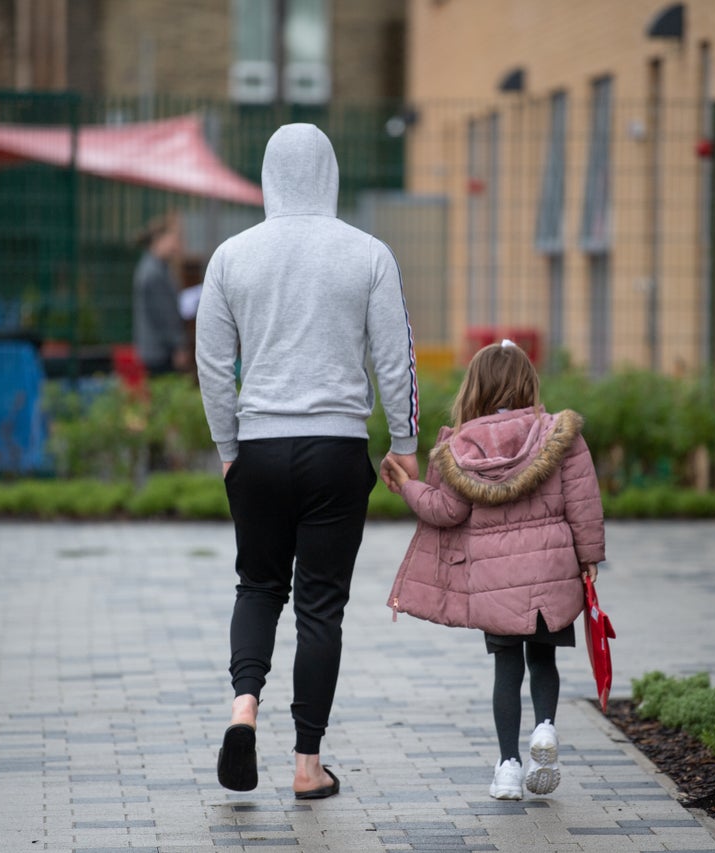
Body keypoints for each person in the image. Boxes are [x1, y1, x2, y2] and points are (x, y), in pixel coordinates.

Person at [195, 123, 420, 799]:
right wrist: (404, 444)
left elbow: (211, 363)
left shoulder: (232, 256)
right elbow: (394, 357)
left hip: (259, 448)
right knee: (321, 607)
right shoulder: (368, 254)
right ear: (331, 174)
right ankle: (305, 764)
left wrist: (228, 447)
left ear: (266, 176)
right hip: (336, 450)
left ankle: (243, 706)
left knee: (257, 585)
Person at [382, 340, 604, 801]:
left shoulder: (458, 448)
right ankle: (545, 729)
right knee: (544, 658)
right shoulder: (561, 435)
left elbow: (445, 511)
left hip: (493, 580)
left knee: (507, 667)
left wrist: (407, 486)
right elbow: (584, 504)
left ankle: (507, 767)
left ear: (475, 388)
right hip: (552, 570)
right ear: (528, 383)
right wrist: (589, 558)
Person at [132, 212, 189, 376]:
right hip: (161, 352)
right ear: (158, 239)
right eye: (173, 240)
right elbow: (164, 315)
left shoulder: (156, 268)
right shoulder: (154, 273)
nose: (176, 246)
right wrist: (178, 345)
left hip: (156, 349)